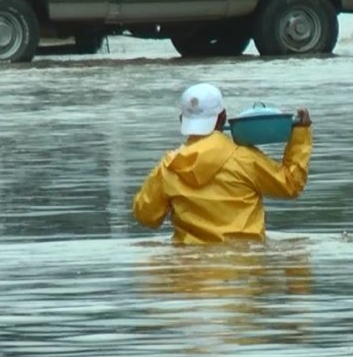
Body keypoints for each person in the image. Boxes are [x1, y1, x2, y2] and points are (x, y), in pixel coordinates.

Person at [132, 83, 313, 244]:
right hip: (244, 269)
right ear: (223, 117)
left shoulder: (168, 167)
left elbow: (146, 217)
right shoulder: (245, 159)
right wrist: (300, 134)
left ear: (182, 120)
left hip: (189, 272)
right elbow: (291, 184)